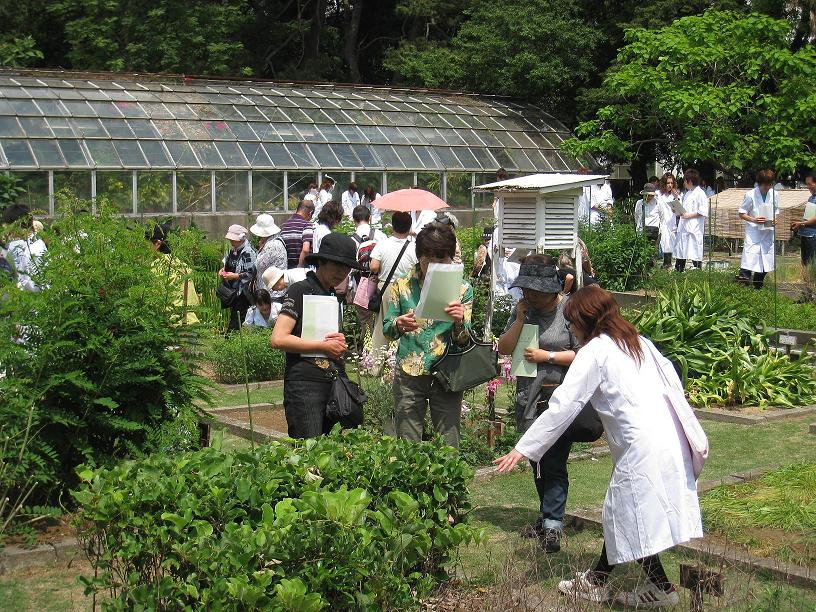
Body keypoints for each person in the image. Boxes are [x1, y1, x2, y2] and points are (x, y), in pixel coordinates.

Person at [494, 285, 706, 609]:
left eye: (573, 324)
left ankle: (652, 588)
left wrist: (523, 448)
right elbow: (674, 386)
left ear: (585, 321)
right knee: (628, 514)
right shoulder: (638, 342)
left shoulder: (596, 350)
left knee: (627, 512)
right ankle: (600, 581)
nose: (572, 331)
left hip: (643, 445)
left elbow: (564, 404)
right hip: (668, 437)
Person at [496, 257, 579, 553]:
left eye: (536, 291)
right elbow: (503, 348)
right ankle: (547, 516)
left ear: (552, 289)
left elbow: (585, 353)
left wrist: (548, 356)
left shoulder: (569, 311)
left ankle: (554, 523)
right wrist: (519, 320)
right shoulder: (523, 310)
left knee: (554, 460)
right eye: (526, 290)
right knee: (536, 458)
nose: (529, 296)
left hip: (558, 397)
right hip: (528, 395)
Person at [383, 222, 473, 447]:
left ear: (451, 258)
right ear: (419, 257)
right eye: (428, 260)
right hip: (409, 374)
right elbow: (387, 329)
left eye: (441, 260)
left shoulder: (462, 289)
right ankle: (411, 482)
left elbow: (464, 341)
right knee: (408, 442)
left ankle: (448, 482)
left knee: (448, 442)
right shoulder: (401, 286)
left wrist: (459, 321)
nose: (434, 266)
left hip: (447, 372)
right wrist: (398, 324)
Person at [270, 233, 363, 439]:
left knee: (338, 454)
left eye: (346, 267)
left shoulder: (332, 296)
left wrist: (338, 345)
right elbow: (278, 338)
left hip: (333, 383)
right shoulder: (299, 290)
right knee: (309, 454)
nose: (342, 272)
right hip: (305, 386)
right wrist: (322, 346)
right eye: (336, 265)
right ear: (320, 262)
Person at [350, 205, 387, 349]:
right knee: (381, 317)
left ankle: (367, 349)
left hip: (360, 286)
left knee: (365, 319)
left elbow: (351, 268)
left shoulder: (351, 240)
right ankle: (382, 348)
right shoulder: (380, 236)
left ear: (354, 220)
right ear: (370, 217)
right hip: (379, 284)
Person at [737, 169, 778, 289]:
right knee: (749, 258)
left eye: (770, 184)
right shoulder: (750, 195)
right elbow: (741, 213)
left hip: (767, 232)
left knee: (766, 259)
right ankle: (742, 285)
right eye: (765, 184)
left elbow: (776, 211)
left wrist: (775, 219)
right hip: (754, 232)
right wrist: (754, 219)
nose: (767, 187)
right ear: (759, 183)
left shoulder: (774, 194)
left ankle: (758, 285)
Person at [218, 224, 257, 332]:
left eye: (233, 238)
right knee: (236, 319)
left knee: (237, 322)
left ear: (241, 238)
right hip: (234, 291)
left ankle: (230, 342)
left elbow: (251, 273)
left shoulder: (248, 252)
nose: (231, 240)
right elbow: (228, 264)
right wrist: (223, 270)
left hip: (244, 293)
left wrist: (235, 276)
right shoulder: (233, 250)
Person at [4, 204, 47, 292]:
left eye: (8, 226)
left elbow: (35, 286)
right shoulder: (33, 242)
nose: (7, 231)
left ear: (16, 225)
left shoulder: (34, 250)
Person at [674, 168, 709, 272]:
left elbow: (703, 212)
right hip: (684, 225)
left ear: (689, 181)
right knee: (682, 248)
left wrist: (688, 216)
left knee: (694, 249)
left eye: (685, 180)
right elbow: (684, 210)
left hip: (694, 227)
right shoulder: (688, 193)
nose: (684, 183)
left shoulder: (700, 193)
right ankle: (679, 269)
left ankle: (697, 270)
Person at [250, 213, 287, 294]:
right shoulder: (275, 240)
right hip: (274, 287)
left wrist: (260, 249)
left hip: (272, 290)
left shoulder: (271, 245)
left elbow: (258, 264)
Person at [791, 171, 816, 271]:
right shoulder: (811, 198)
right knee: (805, 263)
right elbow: (809, 217)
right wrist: (801, 224)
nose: (808, 187)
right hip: (806, 234)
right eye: (807, 184)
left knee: (812, 264)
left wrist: (801, 223)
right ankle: (806, 283)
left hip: (813, 236)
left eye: (810, 184)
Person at [281, 199, 315, 268]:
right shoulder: (306, 225)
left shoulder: (284, 225)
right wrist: (300, 266)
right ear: (310, 213)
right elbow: (305, 250)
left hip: (286, 268)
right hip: (300, 268)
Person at [655, 173, 679, 269]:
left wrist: (676, 198)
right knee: (663, 243)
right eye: (668, 183)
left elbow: (679, 211)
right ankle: (661, 263)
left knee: (670, 244)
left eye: (671, 183)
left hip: (671, 222)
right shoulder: (658, 194)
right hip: (661, 222)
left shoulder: (675, 195)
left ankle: (667, 263)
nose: (670, 185)